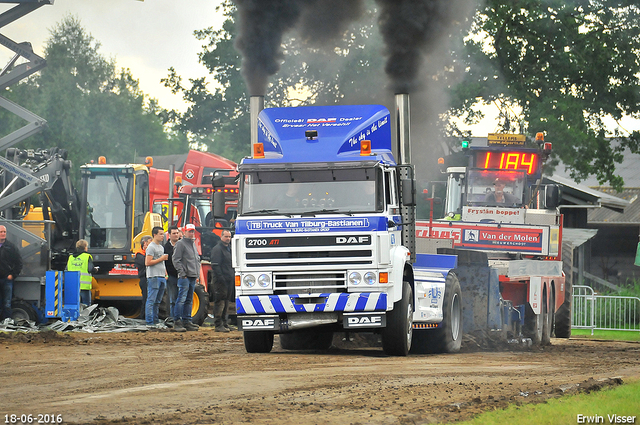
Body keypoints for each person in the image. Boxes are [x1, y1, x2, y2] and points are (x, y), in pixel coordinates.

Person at [172, 223, 201, 332]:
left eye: (193, 231)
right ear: (184, 232)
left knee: (189, 300)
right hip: (185, 277)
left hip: (192, 276)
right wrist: (182, 273)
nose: (191, 233)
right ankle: (177, 321)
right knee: (181, 299)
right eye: (189, 231)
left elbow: (196, 260)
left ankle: (187, 321)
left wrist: (197, 274)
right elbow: (176, 259)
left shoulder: (193, 244)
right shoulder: (180, 244)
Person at [210, 229, 234, 332]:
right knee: (220, 301)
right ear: (221, 237)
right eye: (226, 236)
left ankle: (225, 323)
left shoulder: (229, 249)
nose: (228, 239)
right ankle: (218, 324)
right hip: (220, 280)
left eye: (229, 237)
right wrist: (221, 278)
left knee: (227, 301)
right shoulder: (217, 249)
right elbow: (215, 265)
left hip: (229, 279)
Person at [145, 227, 168, 328]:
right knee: (151, 300)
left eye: (163, 234)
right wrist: (161, 258)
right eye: (161, 234)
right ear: (155, 235)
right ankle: (149, 322)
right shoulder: (151, 247)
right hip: (153, 276)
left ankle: (155, 320)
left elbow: (162, 263)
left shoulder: (161, 247)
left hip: (161, 276)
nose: (163, 236)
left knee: (158, 301)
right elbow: (148, 262)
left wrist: (165, 274)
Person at [0, 225, 22, 320]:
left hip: (6, 279)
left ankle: (6, 323)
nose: (3, 234)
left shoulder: (11, 247)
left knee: (7, 304)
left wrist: (12, 275)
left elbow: (19, 262)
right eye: (1, 232)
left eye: (4, 232)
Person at [66, 239, 96, 306]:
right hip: (84, 286)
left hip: (73, 285)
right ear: (85, 248)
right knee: (86, 305)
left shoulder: (71, 257)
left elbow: (67, 269)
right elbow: (90, 269)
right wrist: (95, 270)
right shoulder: (87, 256)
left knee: (74, 305)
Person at [164, 225, 182, 331]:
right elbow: (164, 262)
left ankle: (181, 319)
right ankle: (173, 319)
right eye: (174, 233)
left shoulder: (182, 245)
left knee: (182, 299)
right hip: (171, 276)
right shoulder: (166, 247)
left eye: (177, 233)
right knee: (173, 299)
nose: (176, 235)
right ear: (169, 235)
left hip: (182, 276)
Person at [135, 235, 152, 320]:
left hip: (150, 277)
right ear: (144, 243)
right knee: (146, 298)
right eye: (150, 242)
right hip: (144, 278)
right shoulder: (139, 254)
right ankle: (143, 317)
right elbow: (146, 262)